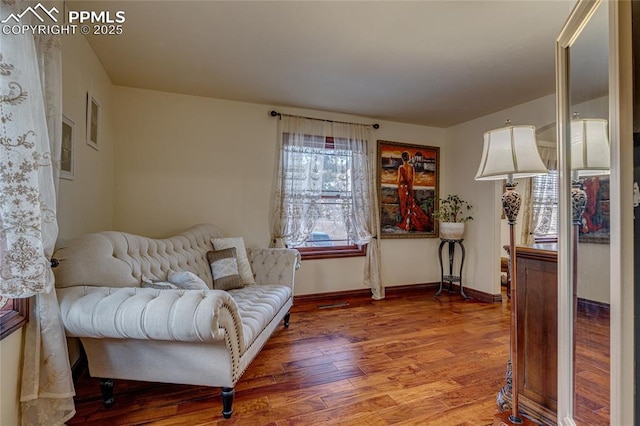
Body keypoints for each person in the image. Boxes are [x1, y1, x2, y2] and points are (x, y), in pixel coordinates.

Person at [397, 151, 431, 232]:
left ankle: (407, 224)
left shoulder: (401, 168)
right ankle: (410, 223)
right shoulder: (411, 167)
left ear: (402, 158)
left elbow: (399, 180)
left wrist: (400, 189)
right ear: (408, 158)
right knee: (411, 206)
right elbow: (412, 181)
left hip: (403, 189)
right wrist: (410, 189)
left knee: (404, 206)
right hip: (409, 188)